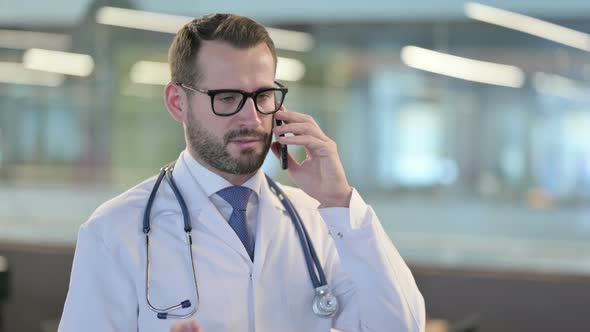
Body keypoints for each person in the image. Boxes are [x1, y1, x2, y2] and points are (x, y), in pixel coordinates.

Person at [58, 13, 425, 332]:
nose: (251, 117)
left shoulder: (317, 218)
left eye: (263, 96)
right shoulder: (115, 231)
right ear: (177, 102)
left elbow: (401, 326)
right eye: (227, 98)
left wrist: (339, 201)